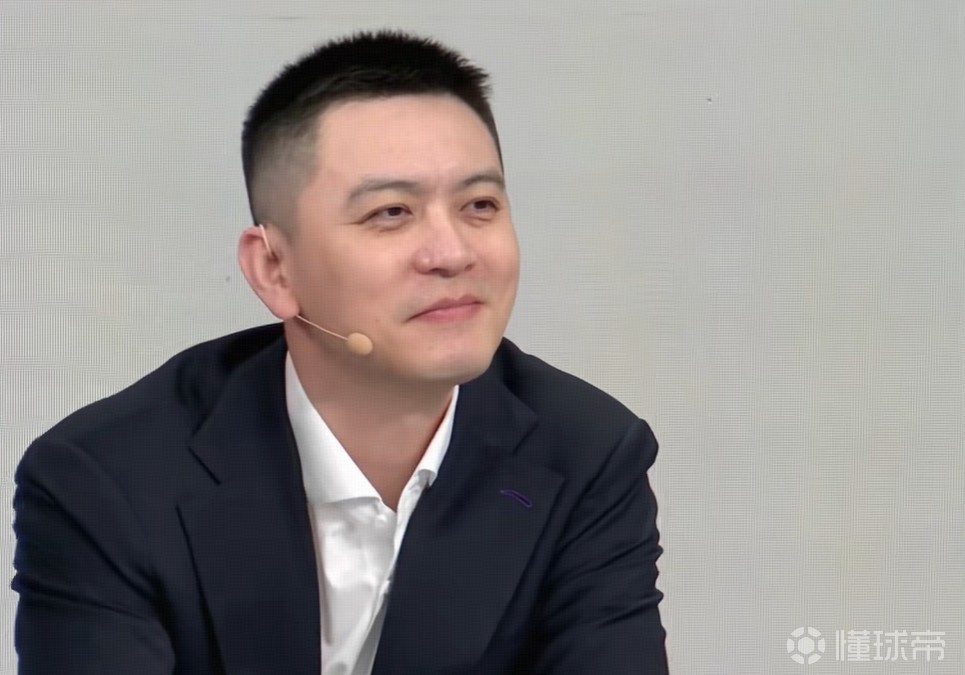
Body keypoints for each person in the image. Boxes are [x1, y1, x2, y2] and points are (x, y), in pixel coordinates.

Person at [12, 30, 668, 675]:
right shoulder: (108, 481)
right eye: (391, 213)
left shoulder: (585, 454)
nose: (453, 253)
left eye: (479, 204)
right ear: (274, 268)